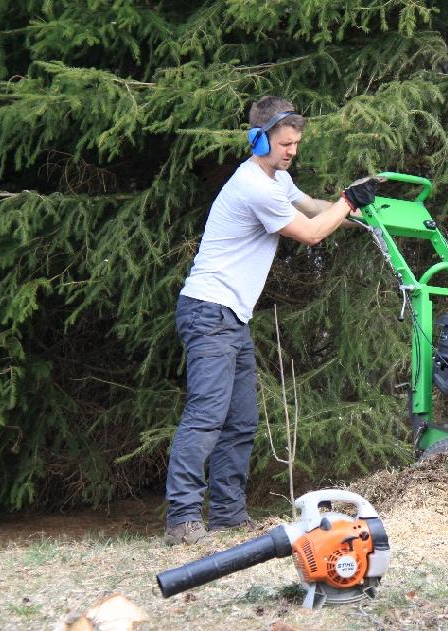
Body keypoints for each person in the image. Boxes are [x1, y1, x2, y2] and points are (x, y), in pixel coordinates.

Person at [164, 96, 377, 545]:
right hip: (208, 310)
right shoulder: (253, 187)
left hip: (231, 316)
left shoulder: (277, 179)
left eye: (296, 143)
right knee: (206, 416)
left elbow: (315, 208)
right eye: (284, 143)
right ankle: (182, 520)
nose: (292, 151)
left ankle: (228, 516)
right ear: (259, 140)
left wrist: (363, 216)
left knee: (240, 421)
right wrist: (346, 202)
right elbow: (312, 233)